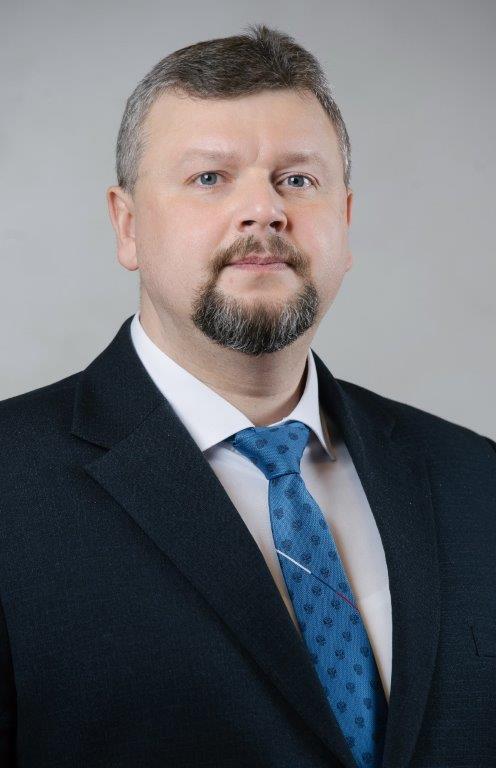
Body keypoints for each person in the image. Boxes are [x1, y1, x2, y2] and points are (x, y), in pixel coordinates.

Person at [0, 22, 494, 768]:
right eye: (210, 178)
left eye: (297, 179)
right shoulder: (9, 484)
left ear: (345, 223)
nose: (263, 210)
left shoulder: (474, 478)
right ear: (128, 226)